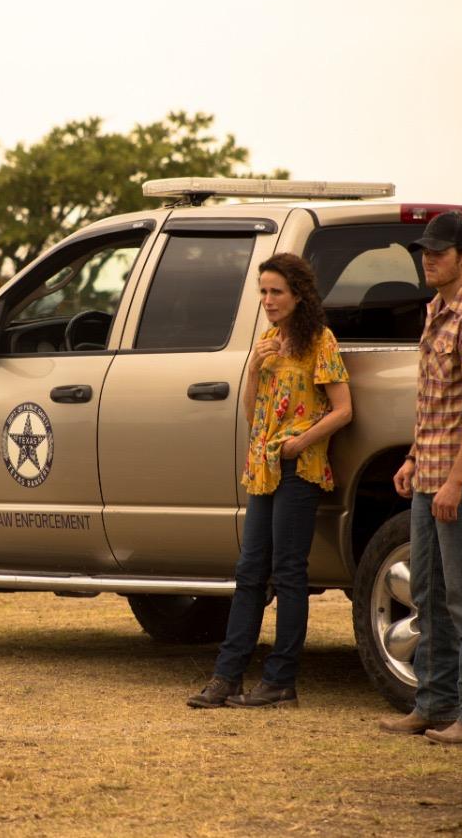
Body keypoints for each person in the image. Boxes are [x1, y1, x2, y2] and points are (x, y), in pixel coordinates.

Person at [188, 253, 353, 709]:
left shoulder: (320, 341)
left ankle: (281, 680)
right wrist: (254, 368)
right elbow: (251, 414)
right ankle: (227, 676)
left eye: (276, 291)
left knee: (288, 574)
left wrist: (301, 443)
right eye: (262, 291)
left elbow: (343, 410)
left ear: (298, 295)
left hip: (298, 469)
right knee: (249, 573)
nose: (267, 300)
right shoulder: (266, 341)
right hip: (262, 469)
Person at [378, 211, 462, 745]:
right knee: (429, 592)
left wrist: (456, 480)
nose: (429, 259)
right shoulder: (438, 310)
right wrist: (414, 457)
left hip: (461, 478)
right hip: (430, 474)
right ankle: (434, 704)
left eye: (439, 252)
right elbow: (438, 401)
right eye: (425, 252)